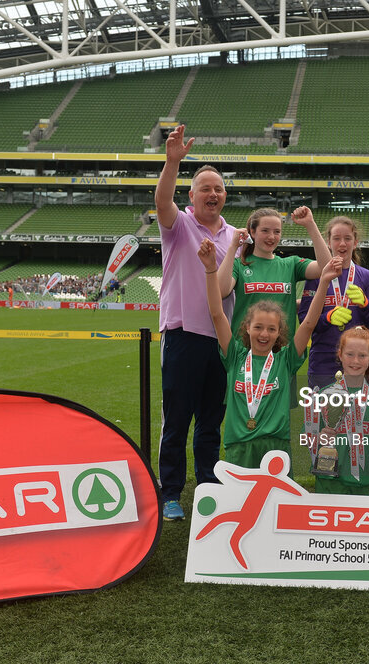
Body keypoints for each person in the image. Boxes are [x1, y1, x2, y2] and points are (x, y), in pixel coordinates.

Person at [155, 123, 239, 522]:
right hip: (183, 333)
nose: (213, 193)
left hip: (220, 342)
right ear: (192, 196)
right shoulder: (179, 225)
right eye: (205, 187)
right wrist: (172, 162)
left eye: (219, 188)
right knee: (177, 419)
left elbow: (234, 284)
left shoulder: (233, 235)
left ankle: (207, 486)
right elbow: (161, 201)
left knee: (211, 422)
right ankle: (170, 492)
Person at [200, 238, 340, 470]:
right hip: (239, 445)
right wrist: (209, 269)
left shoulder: (286, 359)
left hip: (276, 447)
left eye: (271, 329)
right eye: (258, 327)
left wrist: (324, 282)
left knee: (277, 505)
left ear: (279, 333)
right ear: (247, 327)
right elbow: (217, 313)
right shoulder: (235, 355)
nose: (264, 334)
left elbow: (307, 324)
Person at [216, 206, 331, 341]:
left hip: (281, 352)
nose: (271, 237)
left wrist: (310, 225)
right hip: (245, 351)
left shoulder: (291, 264)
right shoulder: (239, 265)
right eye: (265, 231)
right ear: (252, 232)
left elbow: (326, 267)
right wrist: (233, 247)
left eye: (277, 232)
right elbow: (221, 291)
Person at [298, 214, 369, 389]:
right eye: (337, 238)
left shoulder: (367, 277)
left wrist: (365, 305)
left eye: (347, 238)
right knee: (322, 414)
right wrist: (327, 318)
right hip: (323, 361)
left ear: (356, 242)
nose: (342, 244)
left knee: (358, 415)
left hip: (357, 361)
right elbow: (304, 320)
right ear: (328, 242)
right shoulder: (316, 277)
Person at [311, 327, 369, 496]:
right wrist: (319, 437)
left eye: (362, 355)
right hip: (329, 483)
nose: (355, 361)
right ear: (340, 354)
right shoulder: (326, 394)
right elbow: (309, 437)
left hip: (367, 485)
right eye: (350, 354)